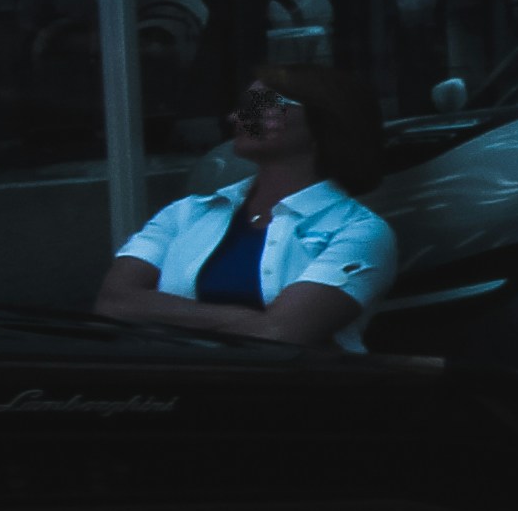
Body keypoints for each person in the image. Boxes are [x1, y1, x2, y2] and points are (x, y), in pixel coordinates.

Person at [95, 63, 399, 348]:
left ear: (324, 122)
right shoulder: (187, 213)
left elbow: (281, 333)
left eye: (261, 104)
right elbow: (113, 303)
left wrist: (159, 312)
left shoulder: (359, 231)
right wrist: (247, 320)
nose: (236, 118)